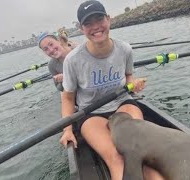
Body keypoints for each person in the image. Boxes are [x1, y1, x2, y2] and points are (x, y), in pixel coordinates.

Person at [60, 1, 164, 179]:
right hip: (91, 112)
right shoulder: (72, 60)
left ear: (108, 19)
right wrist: (67, 130)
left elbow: (129, 75)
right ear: (81, 28)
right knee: (117, 158)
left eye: (99, 19)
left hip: (123, 103)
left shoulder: (125, 49)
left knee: (139, 152)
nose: (95, 27)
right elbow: (68, 98)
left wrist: (133, 84)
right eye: (88, 23)